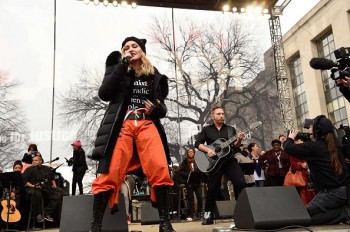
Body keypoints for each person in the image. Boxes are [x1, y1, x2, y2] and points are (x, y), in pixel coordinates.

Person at [89, 37, 175, 232]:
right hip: (123, 125)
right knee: (109, 173)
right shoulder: (117, 69)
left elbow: (162, 110)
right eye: (126, 48)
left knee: (160, 169)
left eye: (134, 46)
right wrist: (122, 65)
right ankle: (95, 227)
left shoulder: (154, 76)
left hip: (146, 124)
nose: (130, 49)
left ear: (142, 51)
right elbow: (104, 94)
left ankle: (165, 223)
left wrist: (156, 109)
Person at [284, 115, 350, 225]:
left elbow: (288, 148)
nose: (309, 130)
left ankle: (343, 213)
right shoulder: (336, 145)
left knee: (302, 217)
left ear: (317, 130)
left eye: (310, 128)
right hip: (343, 191)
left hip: (332, 193)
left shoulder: (314, 147)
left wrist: (290, 137)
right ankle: (342, 212)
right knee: (310, 215)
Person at [194, 106, 246, 225]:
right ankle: (208, 214)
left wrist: (239, 140)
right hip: (214, 164)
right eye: (218, 114)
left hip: (229, 161)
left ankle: (242, 212)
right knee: (212, 189)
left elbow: (236, 146)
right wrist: (208, 150)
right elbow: (198, 143)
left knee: (241, 183)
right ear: (213, 116)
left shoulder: (230, 129)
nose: (221, 115)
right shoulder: (207, 130)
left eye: (223, 113)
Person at [22, 155, 63, 223]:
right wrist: (33, 186)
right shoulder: (28, 169)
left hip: (45, 187)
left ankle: (46, 212)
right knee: (37, 194)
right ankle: (38, 214)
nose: (34, 162)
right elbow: (25, 182)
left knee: (58, 195)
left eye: (36, 160)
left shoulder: (46, 168)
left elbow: (52, 178)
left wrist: (54, 184)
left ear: (40, 161)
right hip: (33, 188)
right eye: (33, 160)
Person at [178, 148, 203, 221]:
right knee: (190, 198)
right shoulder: (184, 162)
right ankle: (192, 213)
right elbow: (180, 172)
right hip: (188, 182)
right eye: (189, 152)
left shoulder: (197, 161)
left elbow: (201, 169)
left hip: (197, 182)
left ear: (194, 153)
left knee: (200, 197)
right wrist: (189, 174)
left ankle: (199, 212)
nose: (191, 153)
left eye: (192, 152)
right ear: (187, 153)